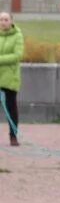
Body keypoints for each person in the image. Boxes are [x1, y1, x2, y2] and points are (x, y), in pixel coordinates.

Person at [0, 12, 25, 147]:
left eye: (5, 19)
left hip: (10, 78)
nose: (3, 22)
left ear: (11, 21)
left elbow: (17, 55)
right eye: (1, 20)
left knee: (11, 109)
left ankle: (13, 136)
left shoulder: (17, 36)